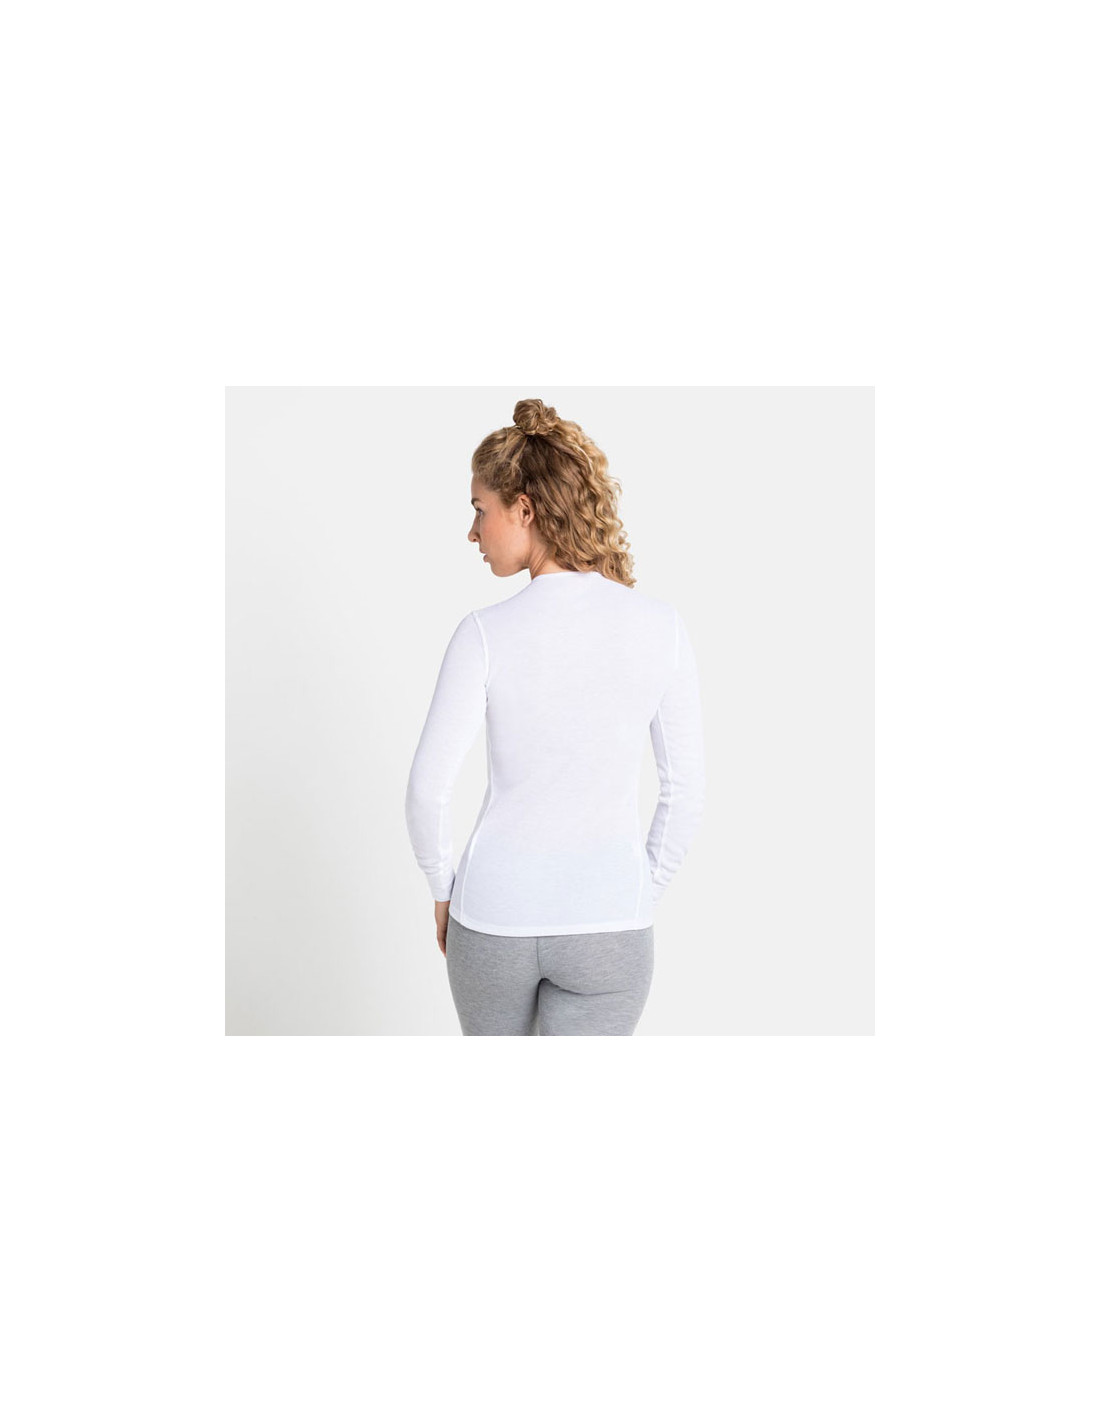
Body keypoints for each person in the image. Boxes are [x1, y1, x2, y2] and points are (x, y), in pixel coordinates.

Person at [404, 398, 705, 1035]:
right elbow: (685, 794)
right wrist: (632, 894)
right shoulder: (662, 628)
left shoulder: (484, 633)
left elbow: (427, 791)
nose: (472, 532)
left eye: (479, 509)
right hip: (610, 926)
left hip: (494, 919)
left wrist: (442, 889)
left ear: (525, 509)